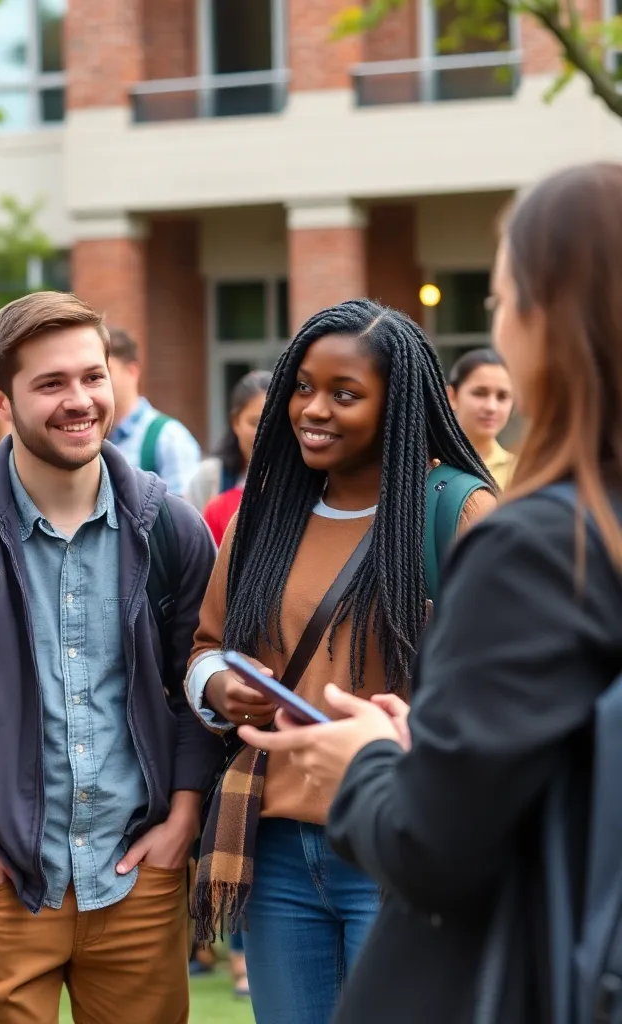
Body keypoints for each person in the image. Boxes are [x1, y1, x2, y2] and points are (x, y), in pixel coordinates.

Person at [234, 163, 622, 1024]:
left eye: (501, 294)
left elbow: (438, 844)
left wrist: (373, 758)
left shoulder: (525, 540)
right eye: (303, 388)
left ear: (541, 319)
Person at [0, 291, 222, 1024]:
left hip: (137, 885)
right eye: (51, 383)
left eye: (93, 376)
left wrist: (182, 818)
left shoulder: (172, 530)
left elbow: (199, 690)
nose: (80, 400)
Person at [185, 299, 496, 1024]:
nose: (312, 409)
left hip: (397, 842)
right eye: (303, 387)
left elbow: (498, 696)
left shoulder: (456, 513)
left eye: (345, 394)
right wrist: (223, 687)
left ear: (398, 405)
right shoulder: (263, 512)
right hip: (277, 851)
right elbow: (203, 648)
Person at [107, 328, 202, 495]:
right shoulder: (91, 435)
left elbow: (183, 516)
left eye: (105, 371)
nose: (98, 381)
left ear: (132, 371)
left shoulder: (169, 437)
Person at [186, 369, 271, 515]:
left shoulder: (301, 480)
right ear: (235, 422)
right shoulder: (210, 478)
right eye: (255, 423)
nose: (264, 433)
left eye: (272, 423)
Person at [447, 347, 516, 487]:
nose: (491, 407)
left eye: (502, 396)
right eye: (479, 393)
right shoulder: (430, 464)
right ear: (452, 396)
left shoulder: (520, 473)